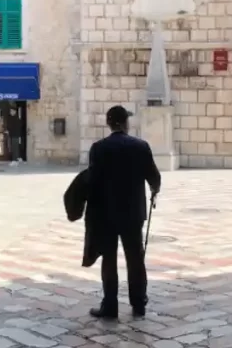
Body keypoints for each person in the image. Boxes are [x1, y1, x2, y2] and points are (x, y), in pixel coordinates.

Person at [87, 105, 162, 320]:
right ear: (125, 123)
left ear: (109, 124)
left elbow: (92, 182)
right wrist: (154, 191)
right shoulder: (140, 146)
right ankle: (138, 303)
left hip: (106, 214)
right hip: (132, 213)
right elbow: (154, 178)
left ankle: (110, 306)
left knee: (108, 259)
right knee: (135, 258)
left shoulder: (98, 148)